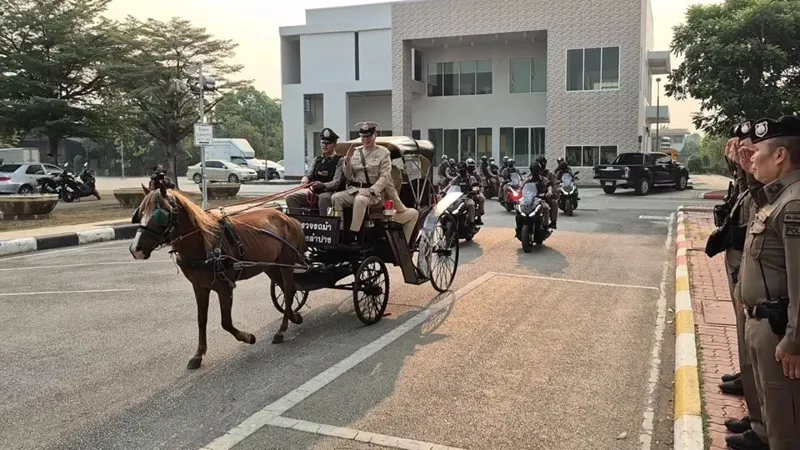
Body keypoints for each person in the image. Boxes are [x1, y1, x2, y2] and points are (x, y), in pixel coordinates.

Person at [736, 115, 800, 450]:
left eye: (756, 149)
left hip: (780, 333)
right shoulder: (779, 196)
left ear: (780, 155)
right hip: (764, 324)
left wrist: (794, 340)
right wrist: (748, 173)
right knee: (775, 422)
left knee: (786, 432)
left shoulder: (794, 203)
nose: (751, 156)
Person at [714, 121, 769, 450]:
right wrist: (739, 166)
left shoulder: (780, 194)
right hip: (743, 265)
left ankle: (761, 425)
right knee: (744, 338)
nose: (743, 152)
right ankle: (755, 409)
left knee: (758, 354)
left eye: (749, 148)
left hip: (761, 283)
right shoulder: (751, 181)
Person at [331, 121, 418, 245]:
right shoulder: (356, 152)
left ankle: (354, 236)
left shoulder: (383, 153)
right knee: (336, 198)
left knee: (360, 200)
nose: (365, 139)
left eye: (368, 136)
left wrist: (372, 190)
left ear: (374, 135)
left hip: (373, 194)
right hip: (355, 189)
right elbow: (348, 174)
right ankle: (338, 230)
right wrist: (347, 161)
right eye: (363, 137)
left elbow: (385, 176)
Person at [286, 127, 344, 214]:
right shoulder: (317, 159)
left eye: (327, 143)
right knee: (291, 198)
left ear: (334, 145)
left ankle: (324, 224)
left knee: (323, 198)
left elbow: (336, 182)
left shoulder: (340, 160)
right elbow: (308, 174)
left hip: (331, 193)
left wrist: (323, 185)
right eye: (322, 143)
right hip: (315, 194)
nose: (324, 146)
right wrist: (305, 179)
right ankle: (298, 224)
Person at [446, 161, 480, 229]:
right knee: (447, 206)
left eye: (462, 168)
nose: (460, 170)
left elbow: (475, 187)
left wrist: (474, 191)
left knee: (471, 205)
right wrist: (443, 191)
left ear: (465, 168)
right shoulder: (457, 178)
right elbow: (449, 185)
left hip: (467, 197)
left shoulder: (471, 177)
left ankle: (471, 223)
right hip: (457, 197)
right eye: (459, 168)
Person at [524, 162, 554, 228]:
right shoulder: (528, 180)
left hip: (541, 199)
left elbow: (549, 187)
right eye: (533, 170)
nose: (535, 172)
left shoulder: (544, 179)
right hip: (529, 200)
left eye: (536, 170)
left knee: (546, 207)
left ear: (539, 170)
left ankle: (545, 226)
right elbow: (521, 187)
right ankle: (519, 225)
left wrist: (549, 192)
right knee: (519, 208)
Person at [536, 155, 559, 229]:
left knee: (554, 202)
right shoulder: (534, 173)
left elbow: (553, 185)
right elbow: (525, 182)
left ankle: (553, 222)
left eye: (543, 163)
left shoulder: (549, 174)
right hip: (534, 195)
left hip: (546, 195)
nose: (542, 164)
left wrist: (553, 193)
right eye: (540, 163)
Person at [465, 158, 485, 225]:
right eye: (469, 166)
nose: (471, 168)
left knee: (482, 198)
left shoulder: (476, 174)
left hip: (475, 191)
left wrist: (479, 189)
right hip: (463, 193)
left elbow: (480, 183)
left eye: (472, 166)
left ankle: (479, 216)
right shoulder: (463, 174)